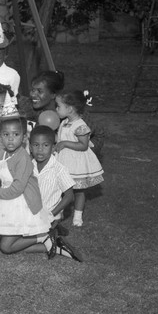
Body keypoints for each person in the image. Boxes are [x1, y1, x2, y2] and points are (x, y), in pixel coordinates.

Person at [0, 115, 59, 258]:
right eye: (6, 135)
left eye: (16, 134)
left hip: (22, 203)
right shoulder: (1, 154)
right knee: (3, 242)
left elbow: (17, 189)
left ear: (24, 138)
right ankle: (46, 244)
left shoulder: (23, 158)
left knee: (5, 247)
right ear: (0, 138)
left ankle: (43, 237)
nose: (11, 139)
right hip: (7, 199)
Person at [30, 125, 82, 260]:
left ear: (53, 148)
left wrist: (51, 214)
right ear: (30, 147)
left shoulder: (59, 169)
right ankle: (54, 236)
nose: (40, 149)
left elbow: (69, 197)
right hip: (33, 212)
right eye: (36, 145)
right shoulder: (29, 166)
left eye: (45, 145)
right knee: (17, 235)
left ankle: (53, 232)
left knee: (23, 239)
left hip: (50, 213)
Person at [25, 70, 104, 157]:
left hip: (84, 148)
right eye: (32, 90)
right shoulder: (34, 108)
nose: (33, 94)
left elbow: (89, 134)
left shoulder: (73, 111)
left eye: (39, 91)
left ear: (53, 94)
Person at [55, 90, 104, 227]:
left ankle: (77, 215)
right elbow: (61, 138)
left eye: (58, 106)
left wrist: (64, 143)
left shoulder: (80, 125)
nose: (56, 109)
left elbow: (83, 146)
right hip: (63, 160)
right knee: (60, 188)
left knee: (79, 190)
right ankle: (59, 212)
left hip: (77, 163)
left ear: (69, 109)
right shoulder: (64, 122)